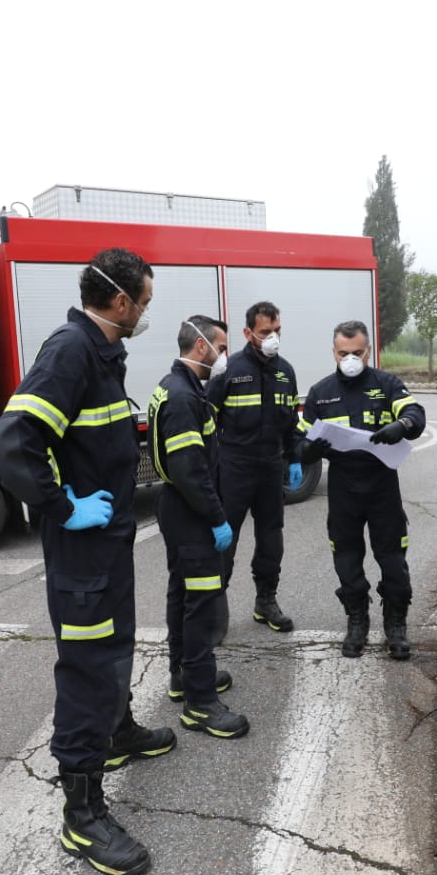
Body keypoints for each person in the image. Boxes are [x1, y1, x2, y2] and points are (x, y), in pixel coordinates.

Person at [0, 247, 176, 875]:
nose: (145, 311)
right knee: (90, 664)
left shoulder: (100, 354)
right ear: (120, 301)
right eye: (144, 301)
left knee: (112, 648)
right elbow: (14, 444)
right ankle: (82, 812)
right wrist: (62, 506)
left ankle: (116, 730)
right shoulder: (71, 350)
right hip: (83, 548)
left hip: (108, 543)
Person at [298, 320, 426, 658]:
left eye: (357, 353)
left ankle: (395, 625)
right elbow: (298, 441)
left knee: (393, 560)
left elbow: (415, 413)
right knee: (347, 560)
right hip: (343, 488)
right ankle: (357, 620)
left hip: (382, 485)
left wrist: (403, 425)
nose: (350, 358)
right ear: (334, 352)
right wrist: (308, 450)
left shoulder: (386, 384)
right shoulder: (320, 392)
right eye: (344, 353)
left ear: (368, 351)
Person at [147, 315, 249, 739]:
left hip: (178, 508)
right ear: (202, 347)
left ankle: (183, 676)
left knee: (182, 594)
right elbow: (190, 470)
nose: (225, 355)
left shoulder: (176, 387)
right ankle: (201, 703)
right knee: (203, 604)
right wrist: (217, 518)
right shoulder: (184, 396)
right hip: (191, 513)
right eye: (222, 347)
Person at [206, 301, 303, 633]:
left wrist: (295, 459)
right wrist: (210, 465)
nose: (273, 337)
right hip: (234, 468)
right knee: (225, 542)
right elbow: (206, 420)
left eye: (277, 331)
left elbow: (291, 422)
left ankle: (266, 602)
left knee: (271, 540)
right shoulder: (228, 370)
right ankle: (215, 611)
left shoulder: (285, 371)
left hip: (270, 469)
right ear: (249, 333)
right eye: (265, 332)